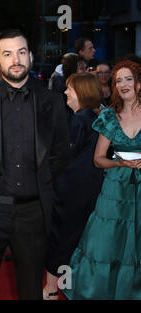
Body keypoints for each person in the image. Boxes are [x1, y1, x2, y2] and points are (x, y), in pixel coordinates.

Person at [0, 29, 70, 300]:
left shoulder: (52, 101)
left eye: (21, 52)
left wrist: (43, 183)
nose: (15, 59)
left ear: (31, 56)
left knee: (30, 289)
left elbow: (61, 153)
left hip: (32, 212)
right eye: (7, 53)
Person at [63, 60, 141, 300]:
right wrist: (119, 163)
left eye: (128, 79)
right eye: (118, 80)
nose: (123, 84)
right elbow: (98, 159)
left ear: (138, 83)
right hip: (114, 189)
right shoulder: (109, 115)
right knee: (106, 244)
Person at [43, 72, 104, 300]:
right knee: (73, 242)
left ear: (82, 92)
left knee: (60, 240)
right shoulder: (94, 117)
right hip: (86, 189)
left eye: (70, 88)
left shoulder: (80, 119)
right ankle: (64, 288)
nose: (66, 92)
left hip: (70, 192)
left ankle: (50, 290)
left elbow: (61, 155)